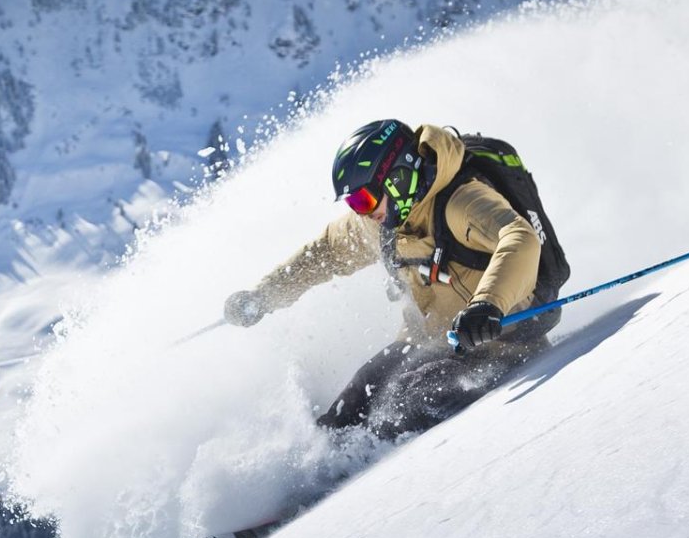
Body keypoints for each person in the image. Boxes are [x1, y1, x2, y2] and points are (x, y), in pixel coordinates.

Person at [222, 119, 563, 438]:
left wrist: (487, 305)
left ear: (398, 178)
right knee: (353, 403)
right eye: (354, 203)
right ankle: (328, 465)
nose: (363, 211)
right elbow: (324, 253)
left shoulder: (461, 202)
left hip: (498, 340)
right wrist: (262, 297)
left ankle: (404, 469)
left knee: (408, 400)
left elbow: (519, 238)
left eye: (364, 198)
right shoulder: (382, 222)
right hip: (429, 340)